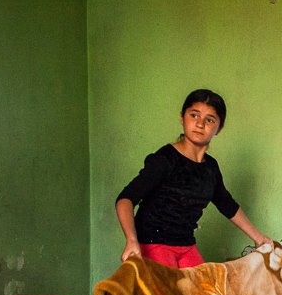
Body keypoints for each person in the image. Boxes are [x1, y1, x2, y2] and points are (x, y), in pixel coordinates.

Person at [116, 88, 273, 269]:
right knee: (172, 288)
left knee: (205, 286)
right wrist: (131, 240)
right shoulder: (165, 159)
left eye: (210, 120)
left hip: (186, 244)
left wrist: (259, 238)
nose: (200, 124)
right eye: (194, 115)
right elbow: (125, 199)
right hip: (153, 242)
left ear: (219, 128)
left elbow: (227, 205)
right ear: (182, 118)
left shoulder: (211, 167)